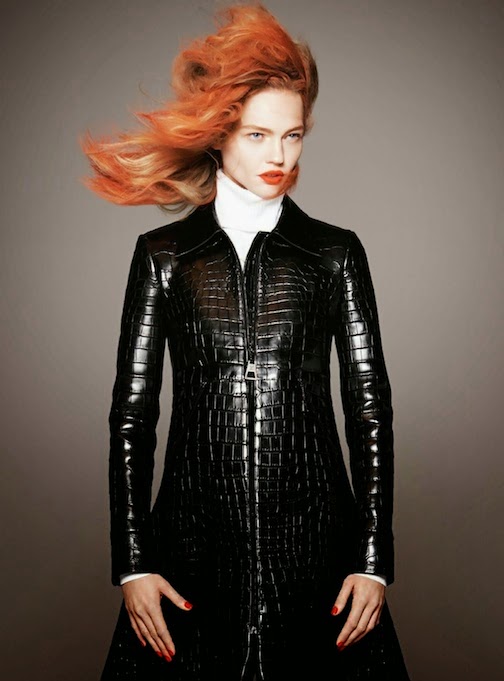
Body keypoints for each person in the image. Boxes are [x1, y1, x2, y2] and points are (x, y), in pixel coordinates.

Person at [80, 3, 411, 680]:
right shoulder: (165, 257)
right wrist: (134, 562)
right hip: (191, 551)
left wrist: (373, 560)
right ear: (219, 131)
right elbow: (132, 416)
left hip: (317, 553)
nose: (278, 156)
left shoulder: (334, 254)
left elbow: (370, 411)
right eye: (258, 134)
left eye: (292, 136)